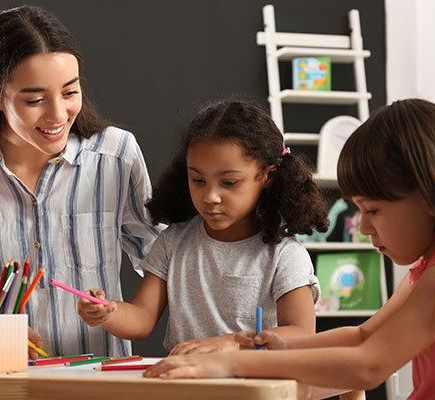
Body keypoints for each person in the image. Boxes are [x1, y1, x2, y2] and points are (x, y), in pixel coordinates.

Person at [143, 99, 435, 399]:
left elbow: (369, 365)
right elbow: (362, 334)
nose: (364, 227)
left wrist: (230, 361)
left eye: (372, 211)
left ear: (428, 198)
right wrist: (282, 345)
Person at [0, 5, 161, 358]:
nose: (58, 115)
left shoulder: (116, 155)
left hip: (97, 380)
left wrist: (124, 314)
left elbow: (159, 255)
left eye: (70, 92)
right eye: (35, 100)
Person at [78, 100, 328, 354]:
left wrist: (228, 343)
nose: (210, 196)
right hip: (186, 387)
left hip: (252, 388)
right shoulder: (173, 241)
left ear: (268, 176)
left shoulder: (284, 254)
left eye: (229, 182)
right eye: (198, 179)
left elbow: (300, 332)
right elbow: (142, 318)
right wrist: (107, 311)